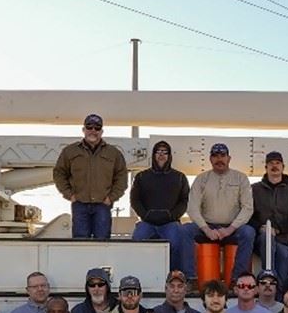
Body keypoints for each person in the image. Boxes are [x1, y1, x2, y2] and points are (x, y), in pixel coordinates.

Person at [188, 143, 258, 284]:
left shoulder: (241, 178)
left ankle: (238, 279)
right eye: (215, 156)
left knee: (248, 232)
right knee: (184, 231)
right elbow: (192, 208)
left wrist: (230, 229)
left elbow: (248, 208)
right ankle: (190, 278)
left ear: (229, 158)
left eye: (222, 156)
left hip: (233, 228)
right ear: (210, 159)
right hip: (207, 227)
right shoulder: (201, 179)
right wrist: (206, 229)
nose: (219, 159)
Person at [53, 113, 127, 240]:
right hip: (79, 205)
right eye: (89, 127)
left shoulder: (114, 153)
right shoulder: (70, 151)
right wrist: (69, 195)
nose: (93, 131)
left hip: (103, 206)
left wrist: (111, 198)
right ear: (84, 130)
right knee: (80, 243)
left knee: (103, 242)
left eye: (97, 128)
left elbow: (121, 177)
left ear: (102, 131)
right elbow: (59, 173)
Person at [131, 139, 193, 276]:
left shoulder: (179, 177)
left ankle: (176, 277)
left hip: (170, 223)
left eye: (165, 152)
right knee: (136, 240)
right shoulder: (141, 177)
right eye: (158, 152)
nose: (161, 155)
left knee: (177, 242)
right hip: (147, 222)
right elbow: (135, 200)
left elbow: (185, 201)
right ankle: (137, 275)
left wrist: (172, 216)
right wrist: (145, 215)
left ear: (169, 156)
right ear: (153, 155)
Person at [252, 151, 288, 279]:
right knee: (267, 239)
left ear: (283, 167)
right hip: (262, 240)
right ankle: (268, 278)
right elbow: (248, 215)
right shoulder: (255, 189)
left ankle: (279, 296)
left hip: (284, 240)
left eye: (278, 163)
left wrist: (277, 229)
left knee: (282, 278)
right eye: (271, 163)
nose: (274, 166)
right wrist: (260, 228)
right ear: (266, 167)